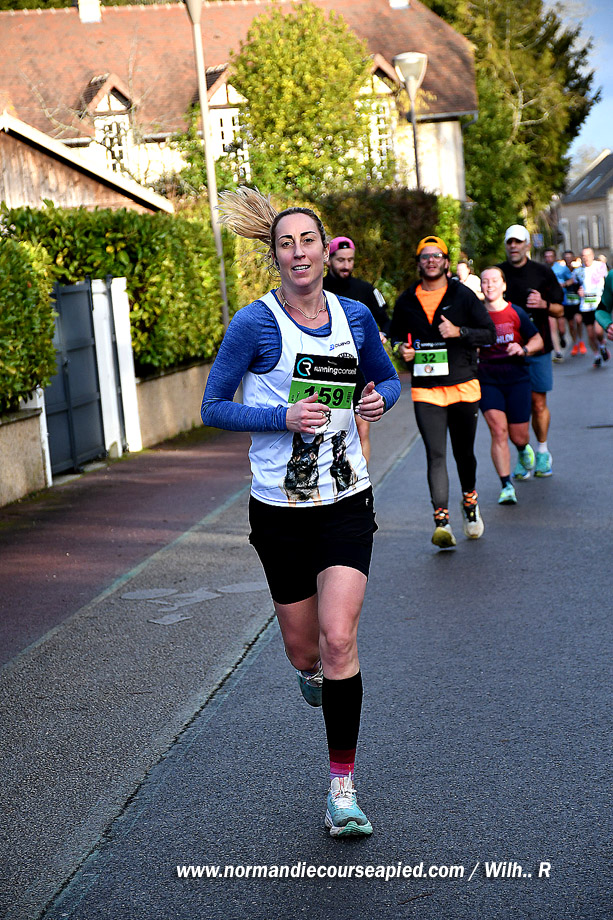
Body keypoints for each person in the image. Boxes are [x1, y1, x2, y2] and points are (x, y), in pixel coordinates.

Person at [200, 187, 400, 838]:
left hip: (346, 499)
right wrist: (280, 416)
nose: (298, 253)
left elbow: (386, 379)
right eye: (285, 244)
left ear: (323, 247)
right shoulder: (253, 325)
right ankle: (310, 673)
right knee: (304, 649)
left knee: (340, 639)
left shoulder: (354, 316)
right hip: (280, 509)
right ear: (275, 256)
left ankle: (342, 789)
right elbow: (212, 407)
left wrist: (380, 401)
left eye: (307, 240)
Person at [390, 235, 496, 548]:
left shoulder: (462, 295)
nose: (431, 261)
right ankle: (442, 523)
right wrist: (402, 350)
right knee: (435, 455)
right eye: (425, 256)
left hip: (463, 386)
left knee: (464, 453)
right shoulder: (407, 299)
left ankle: (470, 502)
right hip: (427, 389)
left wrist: (459, 331)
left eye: (437, 255)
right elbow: (396, 337)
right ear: (419, 263)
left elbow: (489, 333)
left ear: (446, 262)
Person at [498, 225, 563, 480]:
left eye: (518, 241)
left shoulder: (542, 272)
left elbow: (560, 309)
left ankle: (543, 451)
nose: (513, 246)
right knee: (512, 409)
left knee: (538, 403)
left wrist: (544, 304)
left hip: (538, 348)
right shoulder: (498, 274)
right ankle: (523, 452)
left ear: (527, 244)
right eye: (510, 242)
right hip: (506, 351)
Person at [478, 267, 544, 505]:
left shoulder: (516, 312)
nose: (490, 285)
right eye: (485, 281)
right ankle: (506, 485)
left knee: (518, 435)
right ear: (481, 286)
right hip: (487, 379)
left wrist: (523, 349)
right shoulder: (476, 315)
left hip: (517, 378)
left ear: (504, 285)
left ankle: (523, 448)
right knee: (498, 431)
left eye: (495, 281)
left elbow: (537, 339)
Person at [323, 236, 390, 464]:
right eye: (340, 260)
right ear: (328, 259)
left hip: (358, 371)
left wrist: (382, 334)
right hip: (326, 369)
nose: (346, 265)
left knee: (362, 430)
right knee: (328, 433)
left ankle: (361, 479)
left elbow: (386, 320)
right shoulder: (315, 289)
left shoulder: (365, 290)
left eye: (350, 260)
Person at [573, 247, 610, 367]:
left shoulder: (600, 266)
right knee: (590, 335)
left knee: (598, 331)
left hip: (599, 303)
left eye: (588, 255)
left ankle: (602, 344)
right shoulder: (578, 271)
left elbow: (608, 281)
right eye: (583, 256)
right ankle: (597, 356)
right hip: (586, 306)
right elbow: (574, 286)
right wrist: (578, 291)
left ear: (593, 256)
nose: (586, 258)